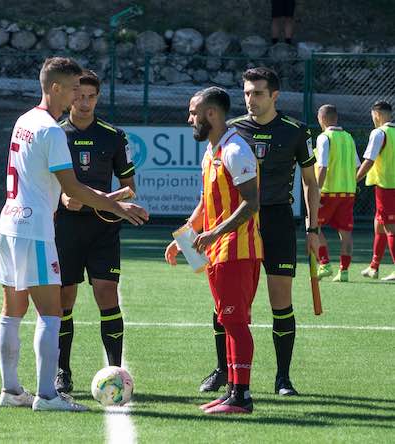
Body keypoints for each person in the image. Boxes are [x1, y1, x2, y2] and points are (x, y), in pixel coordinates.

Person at [0, 57, 148, 412]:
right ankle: (47, 395)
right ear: (57, 88)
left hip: (10, 224)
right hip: (35, 229)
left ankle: (12, 390)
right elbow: (74, 189)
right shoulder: (51, 130)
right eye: (74, 88)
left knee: (12, 312)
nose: (79, 96)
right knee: (51, 313)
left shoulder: (24, 121)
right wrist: (118, 207)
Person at [199, 67, 320, 396]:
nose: (250, 99)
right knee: (224, 302)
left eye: (258, 93)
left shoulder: (296, 131)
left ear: (274, 96)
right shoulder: (233, 130)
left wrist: (313, 228)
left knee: (281, 300)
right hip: (238, 225)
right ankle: (223, 370)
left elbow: (311, 183)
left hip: (278, 221)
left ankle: (283, 378)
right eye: (247, 93)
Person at [165, 87, 262, 414]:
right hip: (219, 250)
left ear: (212, 115)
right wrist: (184, 238)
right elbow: (208, 202)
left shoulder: (235, 150)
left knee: (235, 322)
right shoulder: (212, 151)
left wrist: (214, 232)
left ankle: (242, 397)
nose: (189, 118)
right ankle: (233, 391)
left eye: (194, 113)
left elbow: (252, 202)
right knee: (228, 320)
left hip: (238, 249)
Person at [54, 70, 136, 394]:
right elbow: (48, 185)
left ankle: (115, 370)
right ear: (70, 96)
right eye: (79, 96)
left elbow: (129, 190)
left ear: (98, 98)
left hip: (104, 229)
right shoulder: (55, 134)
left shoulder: (114, 136)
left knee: (106, 293)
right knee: (64, 299)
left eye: (91, 97)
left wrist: (94, 203)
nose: (84, 102)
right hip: (65, 229)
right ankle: (63, 371)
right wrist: (62, 199)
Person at [314, 105, 360, 282]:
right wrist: (349, 183)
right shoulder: (348, 137)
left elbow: (322, 166)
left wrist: (317, 191)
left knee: (313, 225)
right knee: (346, 232)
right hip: (348, 192)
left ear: (321, 119)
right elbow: (357, 165)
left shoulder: (324, 137)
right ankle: (344, 271)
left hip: (328, 191)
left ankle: (324, 263)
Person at [356, 101, 395, 282]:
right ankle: (374, 266)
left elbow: (369, 160)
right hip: (386, 187)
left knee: (389, 228)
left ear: (377, 114)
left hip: (387, 187)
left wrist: (353, 179)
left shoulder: (379, 133)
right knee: (379, 224)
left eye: (373, 116)